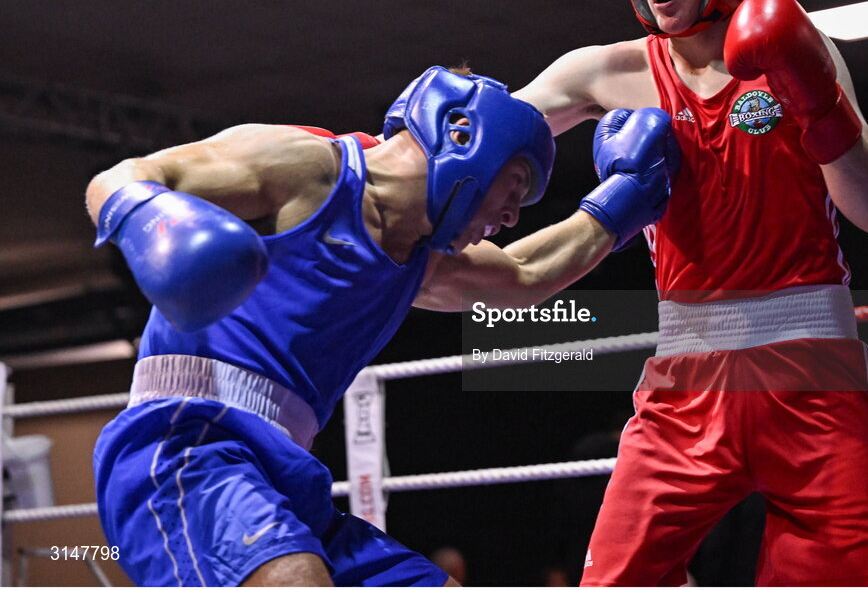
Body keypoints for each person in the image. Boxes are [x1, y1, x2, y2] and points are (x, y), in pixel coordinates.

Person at [87, 66, 678, 587]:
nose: (510, 216)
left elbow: (526, 271)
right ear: (467, 140)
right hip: (185, 447)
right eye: (515, 188)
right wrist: (152, 221)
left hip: (287, 471)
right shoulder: (309, 168)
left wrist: (626, 198)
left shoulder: (421, 261)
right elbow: (126, 175)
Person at [514, 0, 868, 585]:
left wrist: (815, 97)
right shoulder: (607, 72)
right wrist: (364, 163)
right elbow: (484, 139)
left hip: (813, 373)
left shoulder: (801, 49)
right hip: (685, 381)